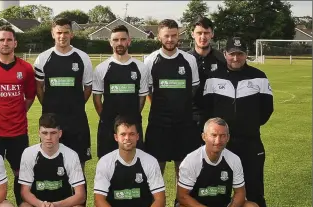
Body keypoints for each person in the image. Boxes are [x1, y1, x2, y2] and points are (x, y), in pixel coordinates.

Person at [203, 37, 273, 207]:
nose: (236, 57)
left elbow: (266, 110)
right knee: (219, 183)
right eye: (232, 53)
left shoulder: (259, 77)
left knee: (253, 183)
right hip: (221, 143)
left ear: (246, 55)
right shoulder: (213, 77)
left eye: (240, 54)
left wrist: (248, 125)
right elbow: (206, 108)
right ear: (225, 54)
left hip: (250, 140)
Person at [85, 115, 181, 207]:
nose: (127, 138)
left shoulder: (149, 161)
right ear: (116, 137)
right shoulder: (106, 162)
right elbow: (99, 200)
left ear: (137, 136)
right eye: (123, 134)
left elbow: (160, 199)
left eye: (131, 134)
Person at [175, 118, 262, 207]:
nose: (218, 140)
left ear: (228, 137)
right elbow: (182, 196)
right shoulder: (192, 160)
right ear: (204, 136)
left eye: (222, 136)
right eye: (213, 135)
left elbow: (240, 192)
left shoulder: (234, 159)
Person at [0, 25, 36, 206]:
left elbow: (30, 96)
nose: (5, 43)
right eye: (1, 40)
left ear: (15, 43)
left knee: (21, 173)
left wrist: (17, 112)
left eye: (9, 39)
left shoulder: (25, 68)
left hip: (18, 132)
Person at [143, 19, 201, 186]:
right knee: (156, 168)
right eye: (166, 36)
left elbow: (193, 88)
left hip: (184, 123)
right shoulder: (151, 61)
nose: (170, 39)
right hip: (159, 123)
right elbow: (147, 90)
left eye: (173, 36)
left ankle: (180, 205)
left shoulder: (189, 60)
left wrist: (179, 105)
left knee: (183, 169)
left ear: (178, 36)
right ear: (159, 37)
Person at [17, 113, 86, 207]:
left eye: (53, 133)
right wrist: (41, 205)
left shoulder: (70, 155)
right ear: (39, 133)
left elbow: (80, 195)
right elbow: (24, 191)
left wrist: (55, 205)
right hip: (37, 206)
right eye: (45, 133)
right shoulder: (29, 153)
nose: (49, 138)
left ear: (60, 133)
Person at [34, 18, 94, 169]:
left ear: (72, 34)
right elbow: (39, 88)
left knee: (78, 165)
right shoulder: (42, 58)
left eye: (66, 32)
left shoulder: (82, 57)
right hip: (51, 121)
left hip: (77, 120)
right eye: (59, 32)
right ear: (53, 34)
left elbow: (88, 88)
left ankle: (79, 192)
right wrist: (49, 105)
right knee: (51, 163)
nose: (62, 36)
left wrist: (76, 104)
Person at [92, 25, 150, 158]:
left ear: (129, 41)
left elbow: (142, 98)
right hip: (108, 126)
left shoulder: (141, 67)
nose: (119, 43)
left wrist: (131, 116)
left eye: (123, 39)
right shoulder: (101, 68)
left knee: (135, 163)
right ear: (110, 42)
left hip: (133, 125)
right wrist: (108, 118)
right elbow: (96, 99)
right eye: (116, 40)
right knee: (107, 163)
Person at [188, 17, 226, 128]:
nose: (203, 37)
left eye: (206, 33)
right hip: (190, 119)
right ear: (192, 34)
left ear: (212, 34)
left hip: (217, 119)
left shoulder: (222, 60)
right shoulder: (184, 60)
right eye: (199, 33)